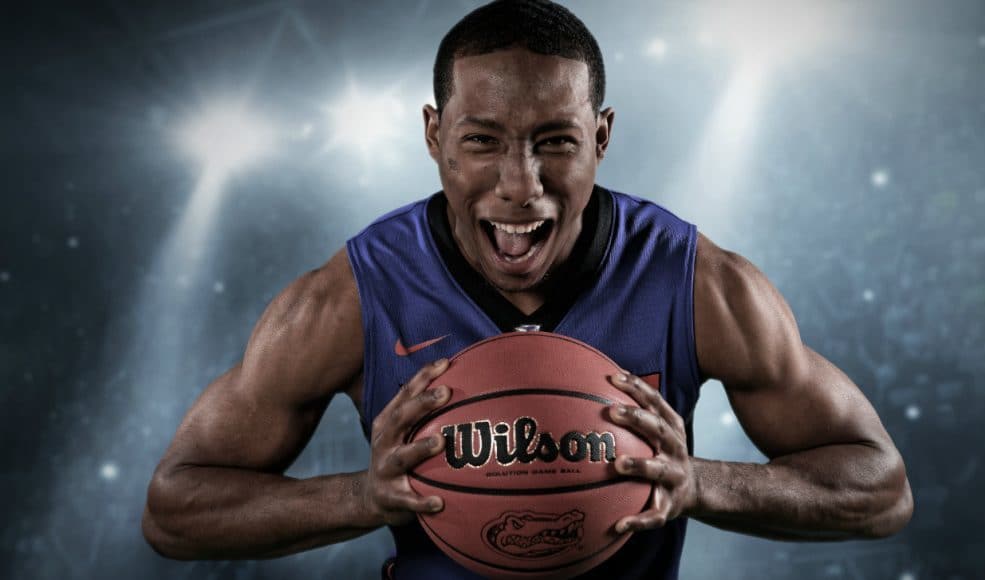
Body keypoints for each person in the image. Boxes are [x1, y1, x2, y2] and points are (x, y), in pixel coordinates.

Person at [142, 1, 913, 578]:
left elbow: (880, 491)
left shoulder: (698, 283)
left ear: (600, 137)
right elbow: (175, 510)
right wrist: (360, 497)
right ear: (433, 135)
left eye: (555, 142)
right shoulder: (352, 295)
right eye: (482, 140)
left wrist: (699, 482)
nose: (521, 185)